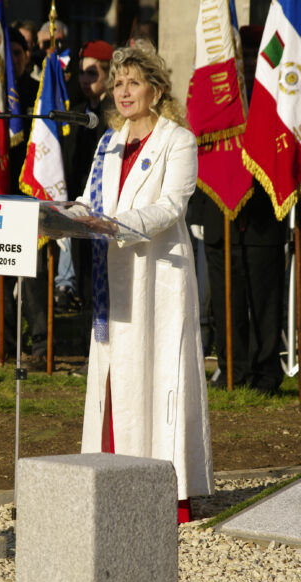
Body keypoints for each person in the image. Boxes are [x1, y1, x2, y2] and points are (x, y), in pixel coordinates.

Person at [69, 41, 214, 522]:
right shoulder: (109, 139)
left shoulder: (178, 140)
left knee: (155, 379)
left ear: (156, 88)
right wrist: (63, 215)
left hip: (158, 283)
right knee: (115, 381)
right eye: (117, 82)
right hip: (114, 280)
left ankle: (164, 494)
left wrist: (119, 224)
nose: (123, 91)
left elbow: (173, 205)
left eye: (133, 82)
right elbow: (90, 199)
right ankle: (112, 482)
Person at [190, 25, 286, 394]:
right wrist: (198, 211)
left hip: (263, 212)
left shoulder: (275, 99)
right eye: (238, 55)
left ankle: (266, 373)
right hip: (218, 210)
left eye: (249, 55)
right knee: (226, 299)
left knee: (265, 298)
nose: (243, 63)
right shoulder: (215, 94)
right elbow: (199, 146)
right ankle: (233, 369)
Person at [0, 27, 48, 367]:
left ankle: (41, 346)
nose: (13, 60)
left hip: (29, 192)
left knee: (33, 274)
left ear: (27, 56)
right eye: (7, 55)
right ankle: (1, 341)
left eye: (18, 53)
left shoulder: (39, 92)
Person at [59, 39, 114, 313]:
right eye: (81, 72)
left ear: (108, 74)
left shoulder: (115, 112)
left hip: (106, 202)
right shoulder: (78, 111)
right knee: (81, 271)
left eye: (93, 73)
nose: (84, 79)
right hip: (79, 199)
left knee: (101, 273)